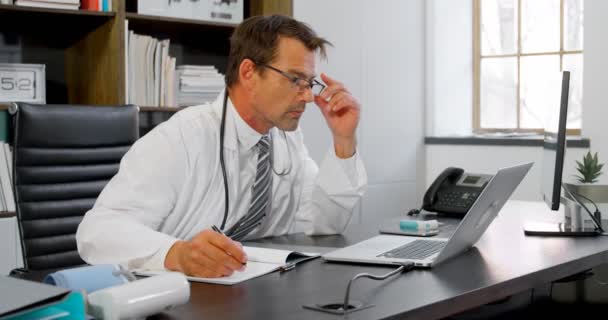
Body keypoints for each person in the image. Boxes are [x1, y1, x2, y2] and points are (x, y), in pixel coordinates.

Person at [76, 15, 367, 278]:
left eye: (309, 83)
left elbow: (322, 224)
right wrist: (176, 253)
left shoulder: (286, 138)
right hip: (171, 297)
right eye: (295, 80)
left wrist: (344, 140)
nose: (306, 97)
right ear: (249, 72)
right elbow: (98, 231)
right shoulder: (181, 138)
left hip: (250, 292)